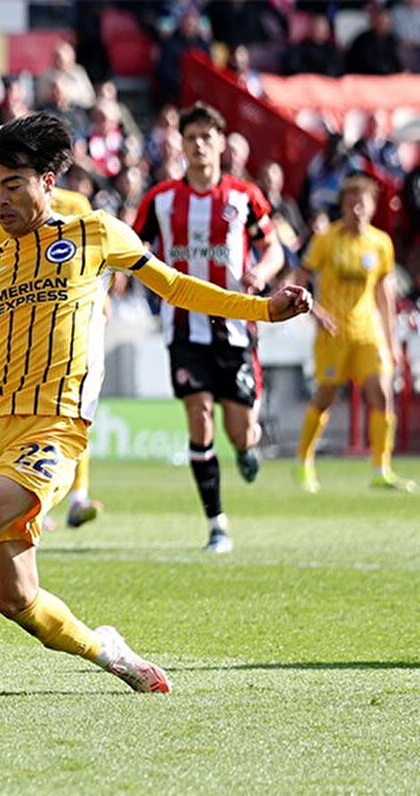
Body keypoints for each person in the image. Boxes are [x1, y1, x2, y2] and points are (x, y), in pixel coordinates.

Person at [0, 113, 312, 696]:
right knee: (16, 600)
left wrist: (262, 309)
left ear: (48, 182)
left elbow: (175, 286)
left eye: (13, 185)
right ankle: (112, 652)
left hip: (54, 431)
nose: (0, 200)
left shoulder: (93, 234)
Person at [133, 103, 285, 554]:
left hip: (235, 330)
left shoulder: (244, 197)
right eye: (191, 136)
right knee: (199, 418)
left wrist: (263, 274)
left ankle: (244, 447)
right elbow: (133, 249)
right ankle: (217, 524)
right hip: (183, 328)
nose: (199, 144)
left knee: (241, 431)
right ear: (181, 144)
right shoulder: (159, 199)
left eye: (207, 136)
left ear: (221, 143)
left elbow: (274, 249)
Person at [0, 186, 103, 531]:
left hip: (76, 326)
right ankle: (33, 498)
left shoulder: (77, 205)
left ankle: (78, 495)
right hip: (23, 329)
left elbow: (95, 262)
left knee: (77, 411)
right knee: (24, 413)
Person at [294, 174, 414, 493]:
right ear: (342, 205)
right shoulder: (326, 240)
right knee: (326, 398)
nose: (357, 207)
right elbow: (300, 278)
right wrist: (315, 312)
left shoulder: (380, 243)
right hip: (333, 333)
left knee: (381, 395)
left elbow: (384, 294)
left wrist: (390, 341)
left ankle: (381, 468)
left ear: (373, 206)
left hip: (367, 332)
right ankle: (303, 461)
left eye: (363, 201)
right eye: (351, 201)